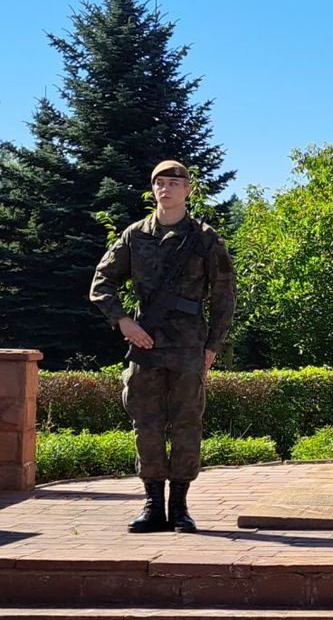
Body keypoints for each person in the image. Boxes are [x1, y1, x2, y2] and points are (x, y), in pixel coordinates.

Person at [90, 160, 236, 533]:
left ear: (187, 189)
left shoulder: (205, 239)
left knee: (188, 422)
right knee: (146, 423)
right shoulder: (135, 235)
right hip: (146, 342)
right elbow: (101, 283)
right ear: (153, 189)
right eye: (160, 183)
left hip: (189, 343)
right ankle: (153, 504)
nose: (166, 189)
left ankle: (180, 506)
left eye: (174, 183)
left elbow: (224, 297)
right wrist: (124, 322)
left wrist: (212, 346)